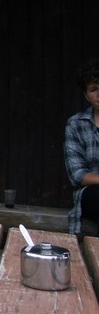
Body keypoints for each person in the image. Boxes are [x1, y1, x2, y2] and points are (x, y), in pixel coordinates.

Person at [64, 58, 99, 236]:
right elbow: (77, 175)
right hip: (92, 195)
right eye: (94, 89)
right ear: (86, 95)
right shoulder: (76, 124)